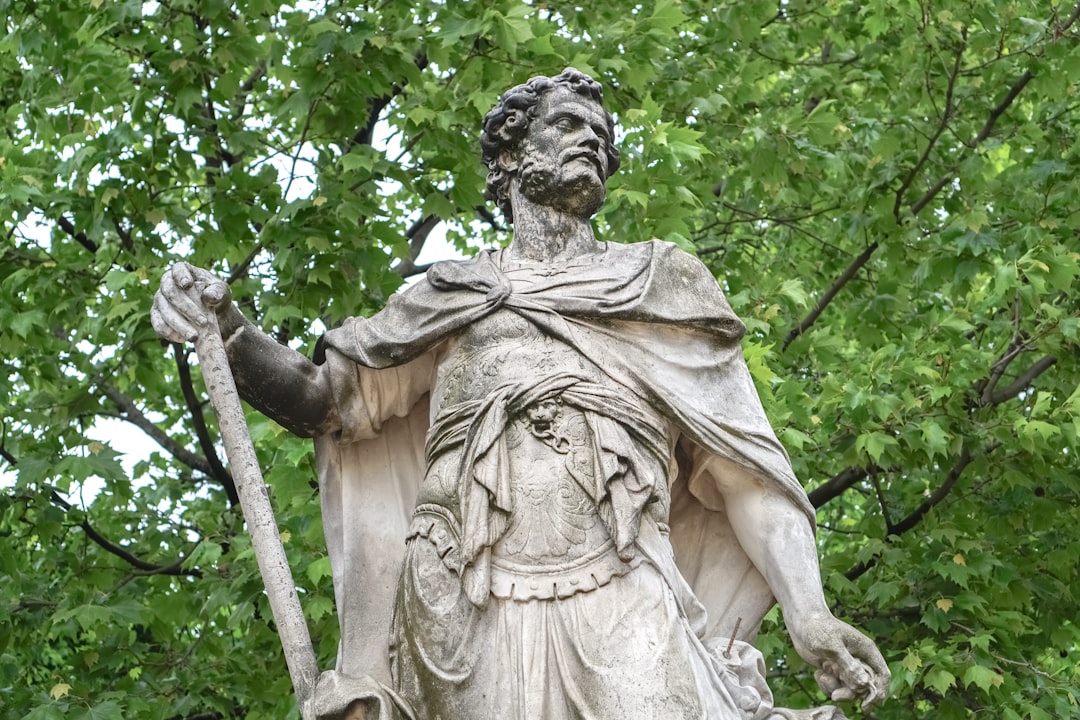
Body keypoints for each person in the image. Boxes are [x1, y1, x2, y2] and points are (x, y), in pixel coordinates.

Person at [153, 69, 889, 720]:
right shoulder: (450, 296)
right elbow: (326, 402)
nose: (592, 141)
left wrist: (810, 613)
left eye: (602, 133)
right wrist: (229, 328)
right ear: (509, 155)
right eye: (568, 124)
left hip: (623, 573)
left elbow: (747, 474)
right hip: (461, 589)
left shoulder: (661, 285)